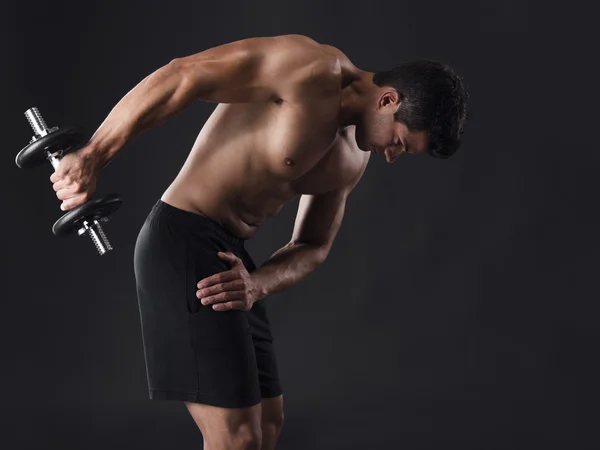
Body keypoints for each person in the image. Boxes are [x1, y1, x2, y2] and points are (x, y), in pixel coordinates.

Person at [49, 34, 468, 450]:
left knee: (268, 424)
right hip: (183, 238)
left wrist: (258, 284)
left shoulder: (352, 159)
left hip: (233, 260)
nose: (392, 156)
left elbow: (313, 245)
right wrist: (93, 154)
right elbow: (184, 75)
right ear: (388, 100)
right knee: (237, 439)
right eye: (398, 142)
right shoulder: (308, 68)